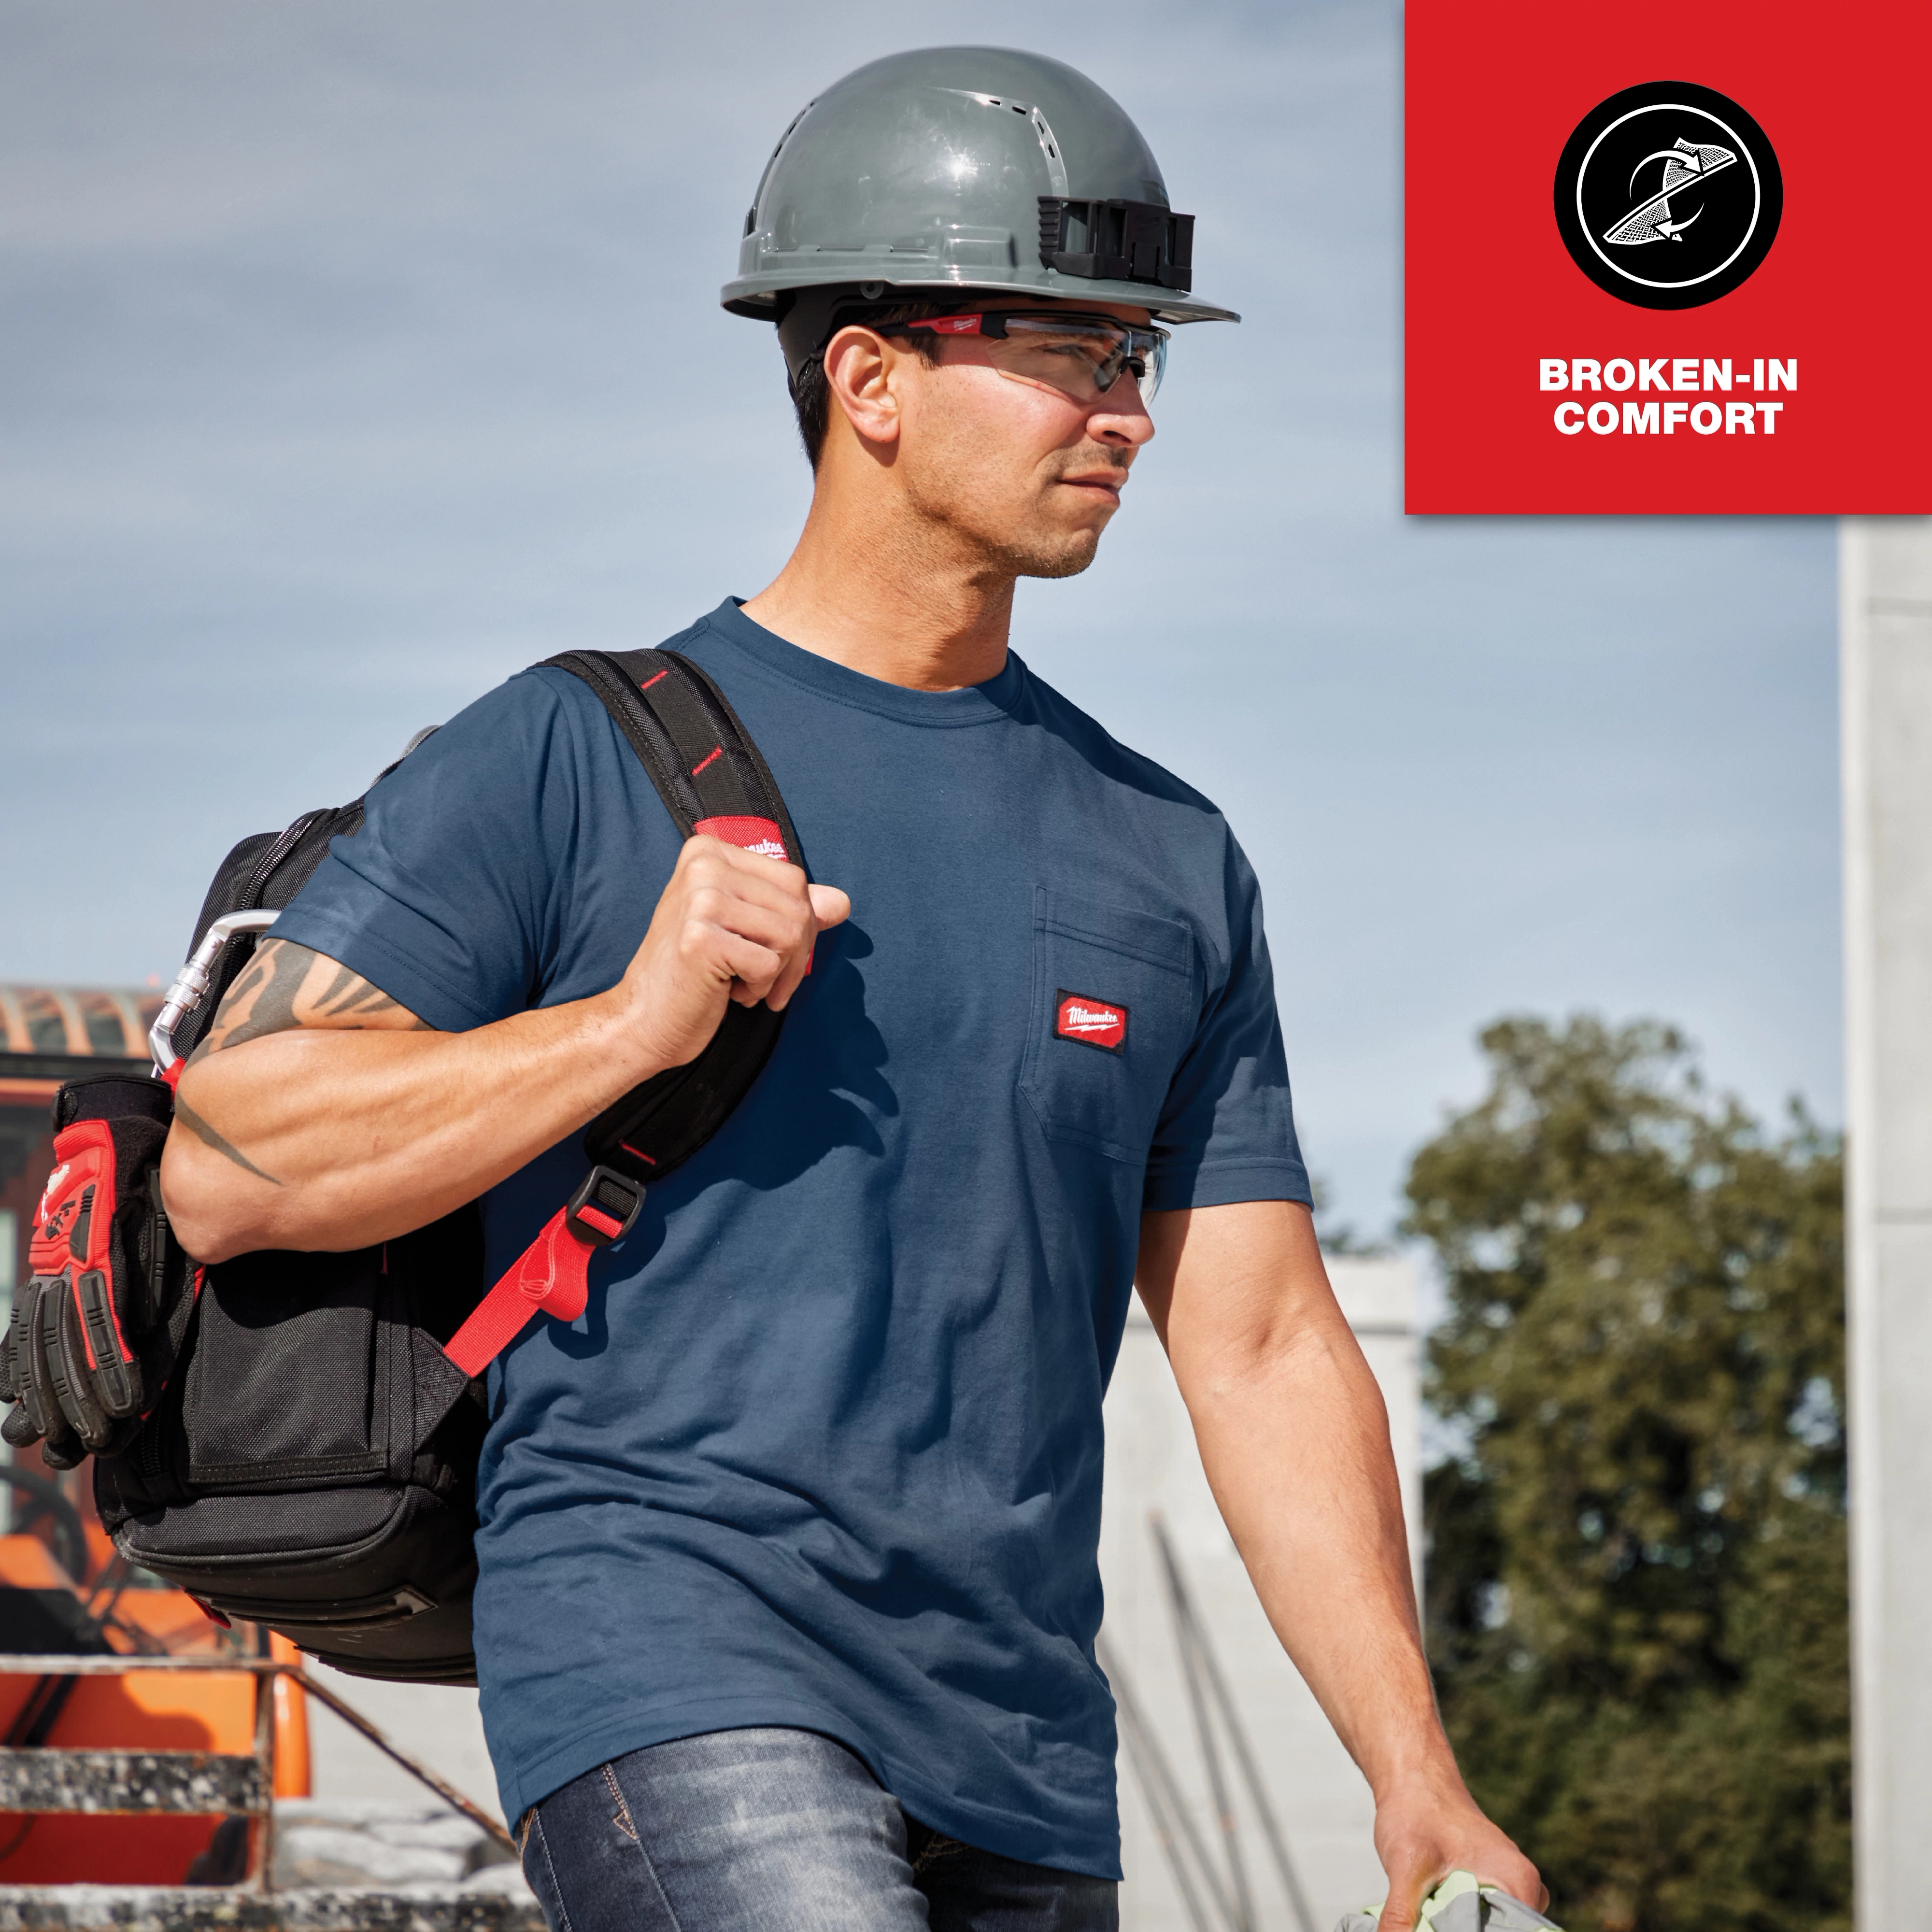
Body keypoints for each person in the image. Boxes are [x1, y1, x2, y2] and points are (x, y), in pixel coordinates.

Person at [161, 45, 1542, 1932]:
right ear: (867, 379)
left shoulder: (1168, 855)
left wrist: (1414, 1772)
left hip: (1027, 1746)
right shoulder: (569, 755)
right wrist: (627, 1026)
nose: (1123, 409)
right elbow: (228, 1159)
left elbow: (1263, 1343)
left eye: (1137, 358)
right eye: (1062, 348)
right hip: (672, 1663)